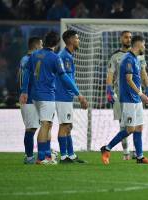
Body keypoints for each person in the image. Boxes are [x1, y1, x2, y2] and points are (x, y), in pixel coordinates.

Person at [19, 31, 87, 165]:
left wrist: (24, 91)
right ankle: (42, 157)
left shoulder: (34, 55)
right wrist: (78, 93)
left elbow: (27, 73)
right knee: (45, 124)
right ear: (56, 44)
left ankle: (47, 156)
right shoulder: (55, 58)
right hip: (47, 95)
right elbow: (64, 77)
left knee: (47, 124)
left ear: (44, 42)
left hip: (34, 95)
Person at [100, 35, 148, 165]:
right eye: (144, 45)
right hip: (129, 99)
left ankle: (140, 157)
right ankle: (106, 148)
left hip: (136, 99)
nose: (145, 47)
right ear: (138, 45)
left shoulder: (136, 59)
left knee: (139, 127)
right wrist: (141, 94)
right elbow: (128, 79)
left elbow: (140, 75)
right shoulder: (128, 59)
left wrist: (146, 92)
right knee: (130, 129)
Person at [56, 30, 88, 163]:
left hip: (65, 96)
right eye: (77, 38)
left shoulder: (66, 55)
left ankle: (71, 155)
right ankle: (64, 157)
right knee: (64, 126)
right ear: (70, 40)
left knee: (68, 126)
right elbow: (66, 79)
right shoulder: (65, 56)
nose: (78, 40)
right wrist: (79, 95)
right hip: (62, 96)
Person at [19, 36, 43, 164]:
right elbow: (28, 79)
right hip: (29, 98)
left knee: (32, 127)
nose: (42, 47)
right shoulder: (30, 60)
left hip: (28, 97)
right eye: (41, 44)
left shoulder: (24, 59)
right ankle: (29, 157)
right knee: (31, 128)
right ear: (37, 46)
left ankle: (31, 155)